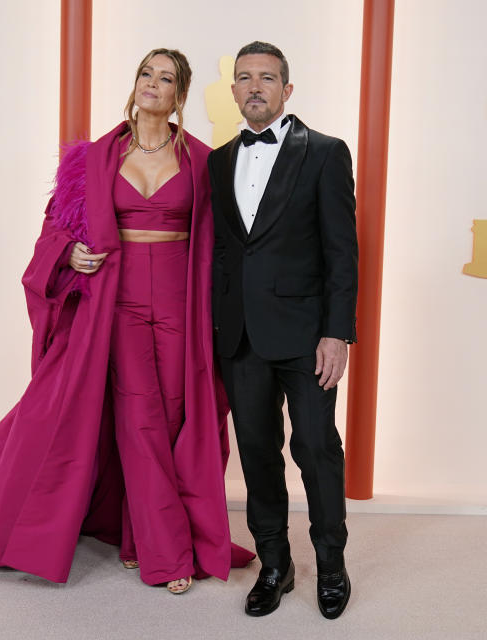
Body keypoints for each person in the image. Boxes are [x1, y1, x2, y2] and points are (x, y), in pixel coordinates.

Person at [0, 48, 254, 594]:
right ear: (134, 83)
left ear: (180, 96)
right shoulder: (91, 159)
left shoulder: (206, 162)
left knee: (177, 420)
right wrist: (68, 255)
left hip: (182, 305)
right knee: (139, 420)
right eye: (145, 74)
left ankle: (140, 539)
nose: (152, 85)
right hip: (119, 304)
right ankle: (166, 556)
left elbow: (226, 246)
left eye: (165, 79)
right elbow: (54, 232)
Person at [207, 41, 358, 619]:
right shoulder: (219, 161)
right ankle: (275, 564)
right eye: (244, 78)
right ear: (234, 90)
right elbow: (222, 252)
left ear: (287, 90)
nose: (254, 87)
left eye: (267, 78)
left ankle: (332, 566)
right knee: (256, 453)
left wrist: (337, 332)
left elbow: (342, 253)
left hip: (307, 334)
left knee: (317, 448)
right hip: (240, 336)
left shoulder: (324, 152)